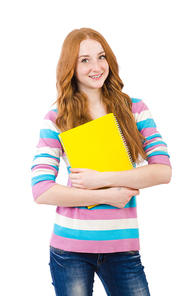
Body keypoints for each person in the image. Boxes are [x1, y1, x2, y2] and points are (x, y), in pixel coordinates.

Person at [31, 28, 171, 296]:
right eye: (84, 60)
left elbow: (163, 171)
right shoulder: (57, 117)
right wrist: (108, 196)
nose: (96, 67)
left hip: (122, 247)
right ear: (70, 66)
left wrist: (103, 180)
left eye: (101, 57)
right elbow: (41, 190)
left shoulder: (135, 108)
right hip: (70, 249)